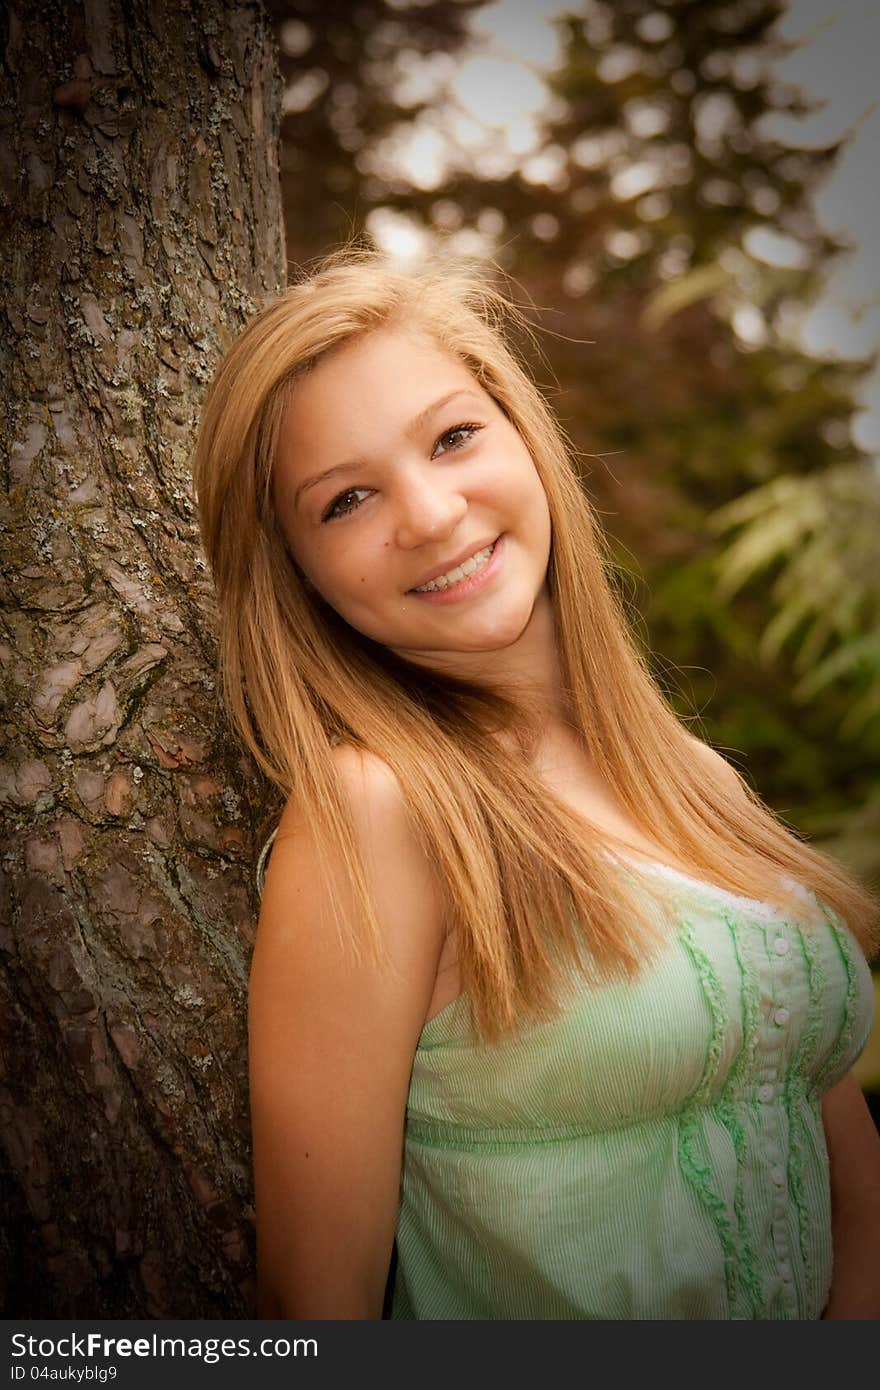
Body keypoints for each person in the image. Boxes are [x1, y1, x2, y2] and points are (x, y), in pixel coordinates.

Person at [192, 243, 880, 1321]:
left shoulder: (694, 779)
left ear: (526, 436)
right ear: (298, 573)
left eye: (454, 436)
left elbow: (855, 1200)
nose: (427, 513)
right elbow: (316, 1311)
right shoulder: (378, 816)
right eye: (346, 500)